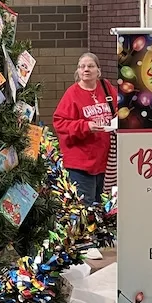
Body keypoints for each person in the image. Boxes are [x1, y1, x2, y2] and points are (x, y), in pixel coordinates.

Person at [52, 51, 116, 204]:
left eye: (90, 66)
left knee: (103, 207)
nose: (86, 69)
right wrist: (86, 126)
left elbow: (119, 108)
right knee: (85, 210)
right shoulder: (72, 93)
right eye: (82, 67)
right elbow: (59, 123)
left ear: (98, 70)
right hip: (81, 163)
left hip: (106, 163)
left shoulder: (106, 87)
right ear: (78, 71)